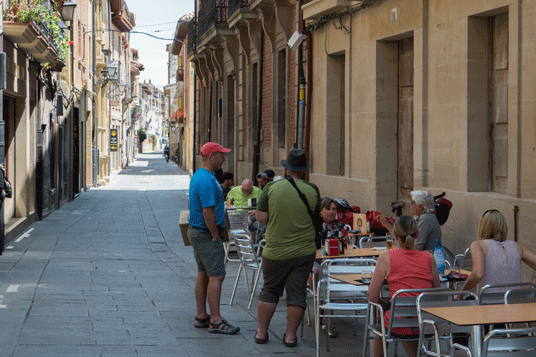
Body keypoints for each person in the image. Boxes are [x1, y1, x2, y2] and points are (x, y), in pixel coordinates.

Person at [254, 148, 321, 347]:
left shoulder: (271, 188)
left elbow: (261, 218)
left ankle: (261, 333)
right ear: (303, 170)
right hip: (303, 251)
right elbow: (316, 217)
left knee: (269, 291)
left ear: (286, 168)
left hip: (275, 250)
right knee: (297, 293)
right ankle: (290, 336)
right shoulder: (313, 189)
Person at [367, 215, 441, 357]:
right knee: (404, 317)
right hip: (424, 323)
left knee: (380, 316)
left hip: (397, 323)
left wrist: (385, 305)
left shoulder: (386, 257)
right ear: (417, 235)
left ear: (395, 236)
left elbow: (372, 295)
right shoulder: (429, 258)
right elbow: (436, 292)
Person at [187, 142, 240, 335]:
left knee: (204, 273)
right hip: (205, 233)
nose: (224, 159)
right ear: (211, 157)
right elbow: (207, 211)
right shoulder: (207, 180)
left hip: (197, 232)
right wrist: (215, 234)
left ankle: (202, 315)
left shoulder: (201, 176)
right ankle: (215, 320)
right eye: (221, 155)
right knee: (217, 275)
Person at [459, 209, 536, 295]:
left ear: (483, 227)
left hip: (487, 303)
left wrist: (461, 294)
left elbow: (478, 273)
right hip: (513, 302)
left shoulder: (478, 245)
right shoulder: (518, 247)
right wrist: (529, 288)